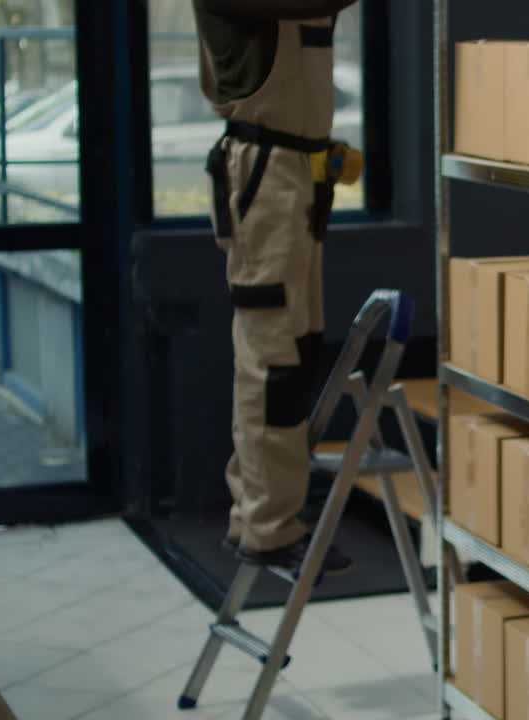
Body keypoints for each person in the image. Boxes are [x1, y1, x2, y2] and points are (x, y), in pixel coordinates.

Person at [194, 0, 360, 573]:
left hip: (298, 176)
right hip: (267, 175)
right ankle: (267, 528)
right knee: (273, 360)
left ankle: (259, 513)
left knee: (293, 352)